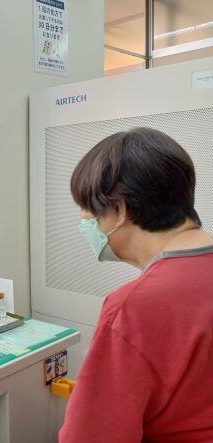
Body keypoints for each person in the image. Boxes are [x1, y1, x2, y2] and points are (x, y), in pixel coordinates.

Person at [59, 127, 213, 442]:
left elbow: (90, 436)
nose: (89, 227)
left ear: (120, 211)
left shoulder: (135, 306)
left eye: (92, 217)